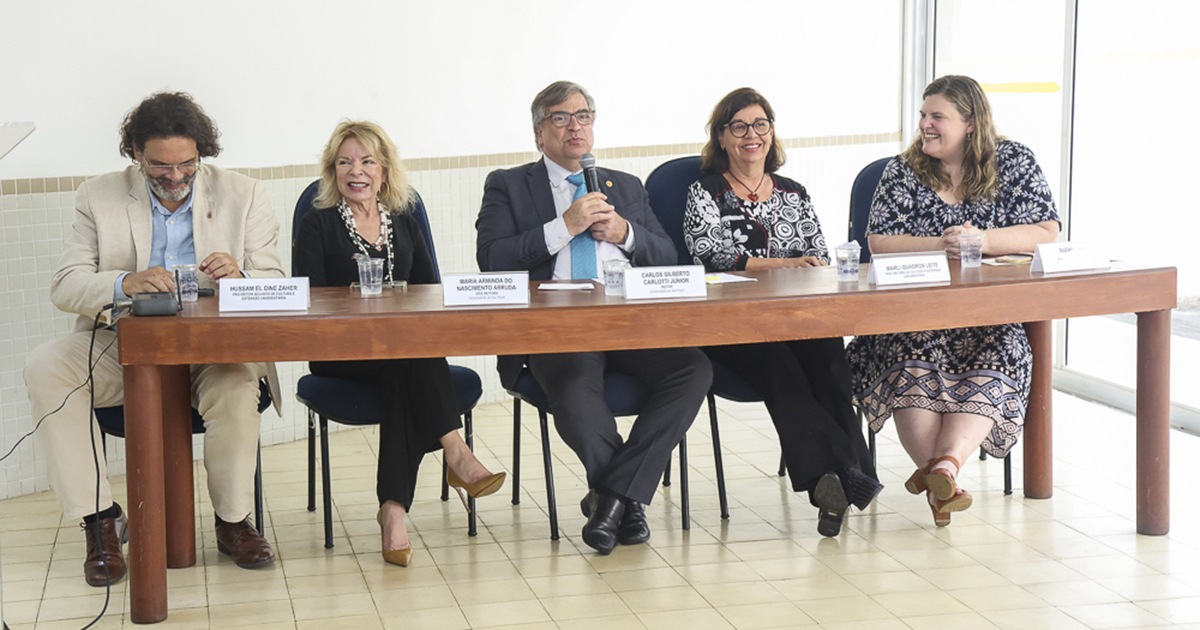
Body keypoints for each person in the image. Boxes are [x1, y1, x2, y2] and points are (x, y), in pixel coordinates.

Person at [23, 92, 283, 585]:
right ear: (136, 154)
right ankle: (101, 520)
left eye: (187, 165)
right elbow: (65, 284)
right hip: (123, 346)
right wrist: (124, 281)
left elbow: (275, 282)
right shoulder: (96, 195)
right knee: (46, 366)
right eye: (161, 166)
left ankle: (233, 522)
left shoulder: (244, 193)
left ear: (201, 154)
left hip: (214, 349)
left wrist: (242, 278)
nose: (176, 177)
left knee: (235, 384)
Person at [476, 81, 712, 554]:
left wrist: (626, 234)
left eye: (584, 115)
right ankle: (629, 502)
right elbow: (492, 259)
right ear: (539, 132)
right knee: (572, 386)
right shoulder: (507, 184)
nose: (575, 126)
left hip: (631, 321)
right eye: (560, 117)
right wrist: (563, 227)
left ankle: (611, 499)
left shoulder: (623, 185)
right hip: (558, 324)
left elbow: (669, 257)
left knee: (694, 369)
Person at [846, 75, 1060, 526]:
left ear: (971, 123)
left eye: (936, 116)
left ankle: (941, 472)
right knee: (908, 357)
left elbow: (1045, 231)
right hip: (911, 314)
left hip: (987, 316)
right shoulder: (904, 169)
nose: (924, 124)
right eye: (923, 115)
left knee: (1004, 352)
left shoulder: (1014, 161)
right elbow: (879, 241)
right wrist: (942, 244)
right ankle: (945, 476)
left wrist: (980, 240)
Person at [294, 121, 505, 567]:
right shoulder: (317, 225)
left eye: (368, 161)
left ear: (384, 171)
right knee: (411, 359)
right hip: (341, 353)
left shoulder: (405, 223)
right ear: (333, 172)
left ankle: (393, 514)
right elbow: (309, 301)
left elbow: (431, 292)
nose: (357, 171)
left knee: (400, 368)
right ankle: (456, 450)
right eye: (345, 162)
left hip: (399, 354)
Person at [683, 88, 882, 537]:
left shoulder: (794, 192)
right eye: (738, 127)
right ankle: (849, 471)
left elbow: (818, 256)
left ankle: (831, 482)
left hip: (796, 316)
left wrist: (792, 265)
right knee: (780, 367)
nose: (751, 135)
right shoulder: (705, 192)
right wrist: (787, 264)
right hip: (730, 325)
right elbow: (711, 256)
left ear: (772, 132)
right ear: (721, 137)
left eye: (760, 125)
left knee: (831, 359)